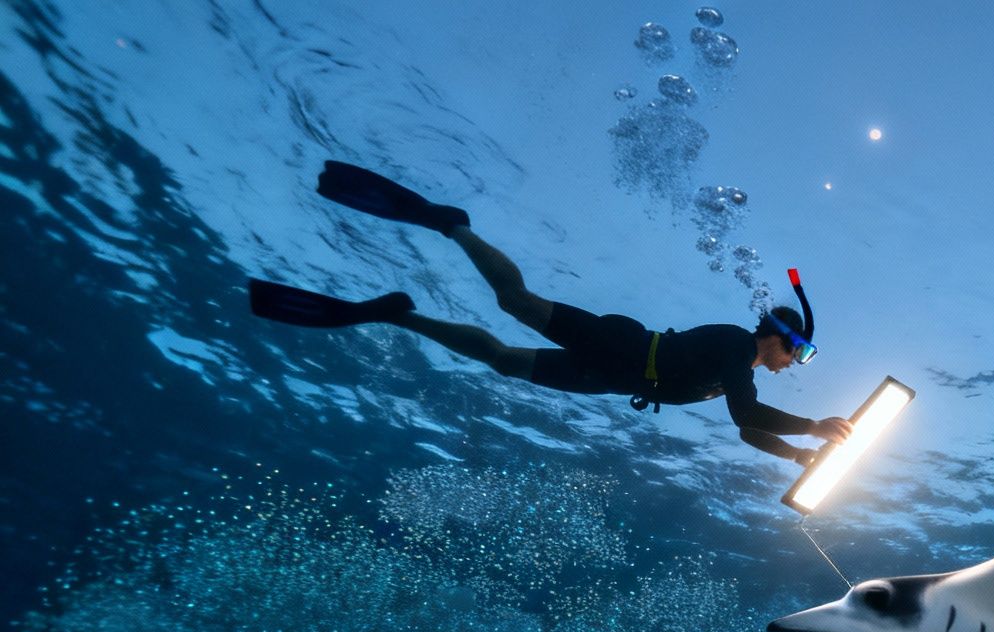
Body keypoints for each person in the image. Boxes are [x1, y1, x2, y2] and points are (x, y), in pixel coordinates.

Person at [248, 162, 853, 466]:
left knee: (505, 362)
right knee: (517, 303)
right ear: (777, 336)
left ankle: (396, 315)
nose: (795, 364)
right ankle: (451, 224)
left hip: (612, 379)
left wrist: (800, 457)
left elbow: (747, 430)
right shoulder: (733, 348)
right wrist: (814, 428)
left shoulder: (736, 369)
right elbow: (748, 412)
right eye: (799, 352)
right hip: (622, 348)